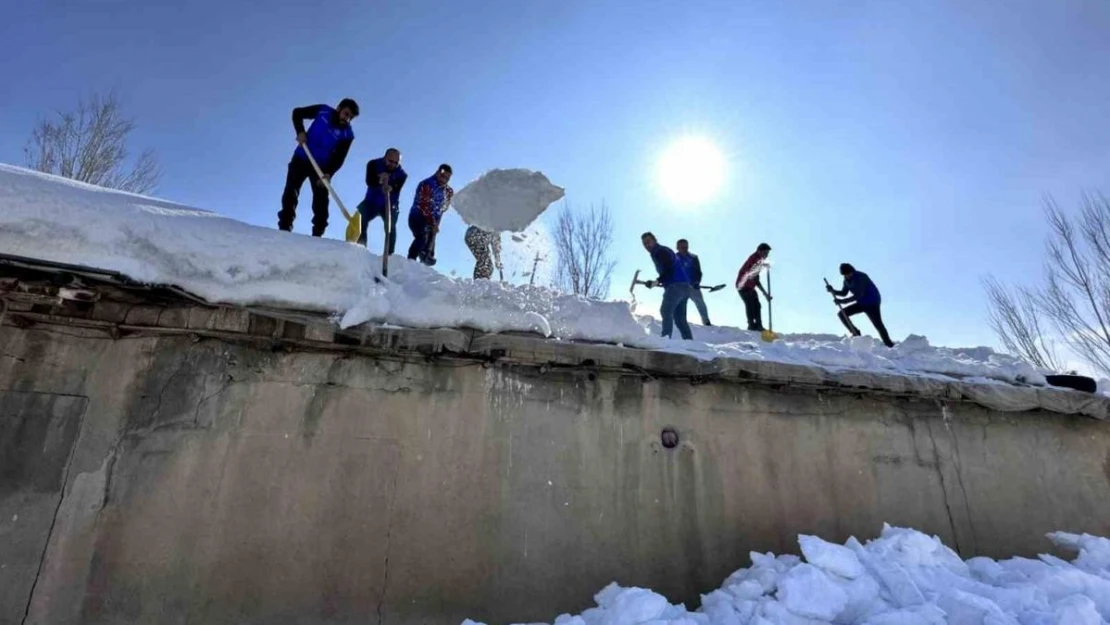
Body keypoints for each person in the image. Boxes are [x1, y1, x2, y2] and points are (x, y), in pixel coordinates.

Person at [278, 98, 359, 237]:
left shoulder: (347, 134)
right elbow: (297, 113)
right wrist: (300, 131)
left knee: (321, 200)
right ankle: (285, 227)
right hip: (302, 157)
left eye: (351, 118)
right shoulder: (323, 111)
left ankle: (318, 234)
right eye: (346, 114)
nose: (347, 119)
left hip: (321, 167)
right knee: (291, 190)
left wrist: (329, 173)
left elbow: (339, 158)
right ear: (338, 108)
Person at [827, 263, 895, 347]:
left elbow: (859, 295)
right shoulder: (846, 281)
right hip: (861, 303)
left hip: (872, 302)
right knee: (842, 314)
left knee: (878, 324)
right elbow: (844, 293)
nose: (847, 276)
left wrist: (842, 301)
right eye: (845, 275)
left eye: (849, 273)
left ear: (852, 271)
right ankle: (856, 333)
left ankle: (889, 344)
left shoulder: (860, 277)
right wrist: (833, 290)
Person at [641, 232, 693, 340]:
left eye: (649, 241)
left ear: (655, 240)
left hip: (676, 286)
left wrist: (657, 281)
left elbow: (669, 269)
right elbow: (670, 269)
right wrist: (658, 281)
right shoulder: (662, 250)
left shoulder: (659, 251)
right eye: (644, 243)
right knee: (679, 319)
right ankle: (690, 343)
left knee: (665, 310)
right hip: (685, 286)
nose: (647, 245)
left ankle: (665, 340)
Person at [356, 148, 407, 252]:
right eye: (390, 161)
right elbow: (369, 181)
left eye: (396, 163)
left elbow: (397, 188)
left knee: (390, 227)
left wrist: (390, 186)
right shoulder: (373, 164)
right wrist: (380, 180)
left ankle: (389, 255)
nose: (392, 164)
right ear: (385, 158)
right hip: (371, 201)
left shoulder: (402, 175)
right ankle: (360, 246)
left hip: (389, 204)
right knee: (360, 219)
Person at [407, 164, 454, 265]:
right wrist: (433, 223)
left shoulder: (448, 191)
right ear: (437, 172)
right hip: (418, 217)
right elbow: (424, 206)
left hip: (433, 222)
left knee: (430, 246)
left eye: (447, 178)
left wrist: (448, 200)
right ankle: (410, 262)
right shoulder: (427, 184)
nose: (444, 180)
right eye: (442, 176)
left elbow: (444, 208)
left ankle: (425, 265)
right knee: (422, 237)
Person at [735, 243, 772, 331]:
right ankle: (752, 325)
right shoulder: (755, 260)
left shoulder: (758, 259)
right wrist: (765, 294)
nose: (766, 255)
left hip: (749, 286)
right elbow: (755, 279)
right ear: (759, 251)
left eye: (767, 253)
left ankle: (758, 325)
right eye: (765, 253)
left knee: (757, 305)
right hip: (743, 286)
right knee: (750, 304)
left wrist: (764, 265)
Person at [676, 238, 711, 326]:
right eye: (681, 246)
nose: (684, 248)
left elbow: (698, 272)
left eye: (685, 246)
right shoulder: (674, 258)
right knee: (679, 304)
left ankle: (706, 322)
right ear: (677, 247)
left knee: (700, 303)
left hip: (693, 287)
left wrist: (696, 282)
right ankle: (679, 322)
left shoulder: (693, 257)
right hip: (679, 287)